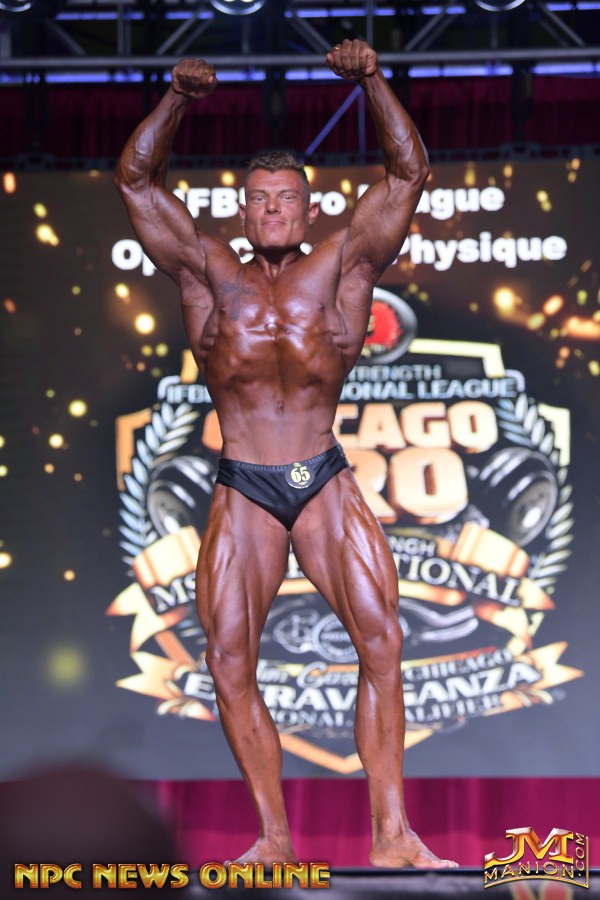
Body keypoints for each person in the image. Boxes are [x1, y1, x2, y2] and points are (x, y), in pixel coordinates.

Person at [115, 39, 457, 869]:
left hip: (321, 477)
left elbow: (409, 174)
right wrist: (175, 98)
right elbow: (135, 182)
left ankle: (392, 836)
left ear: (308, 210)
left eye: (286, 199)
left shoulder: (344, 264)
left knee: (383, 643)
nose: (272, 211)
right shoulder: (206, 272)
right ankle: (272, 838)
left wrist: (372, 80)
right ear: (243, 212)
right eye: (259, 201)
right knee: (228, 660)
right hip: (245, 485)